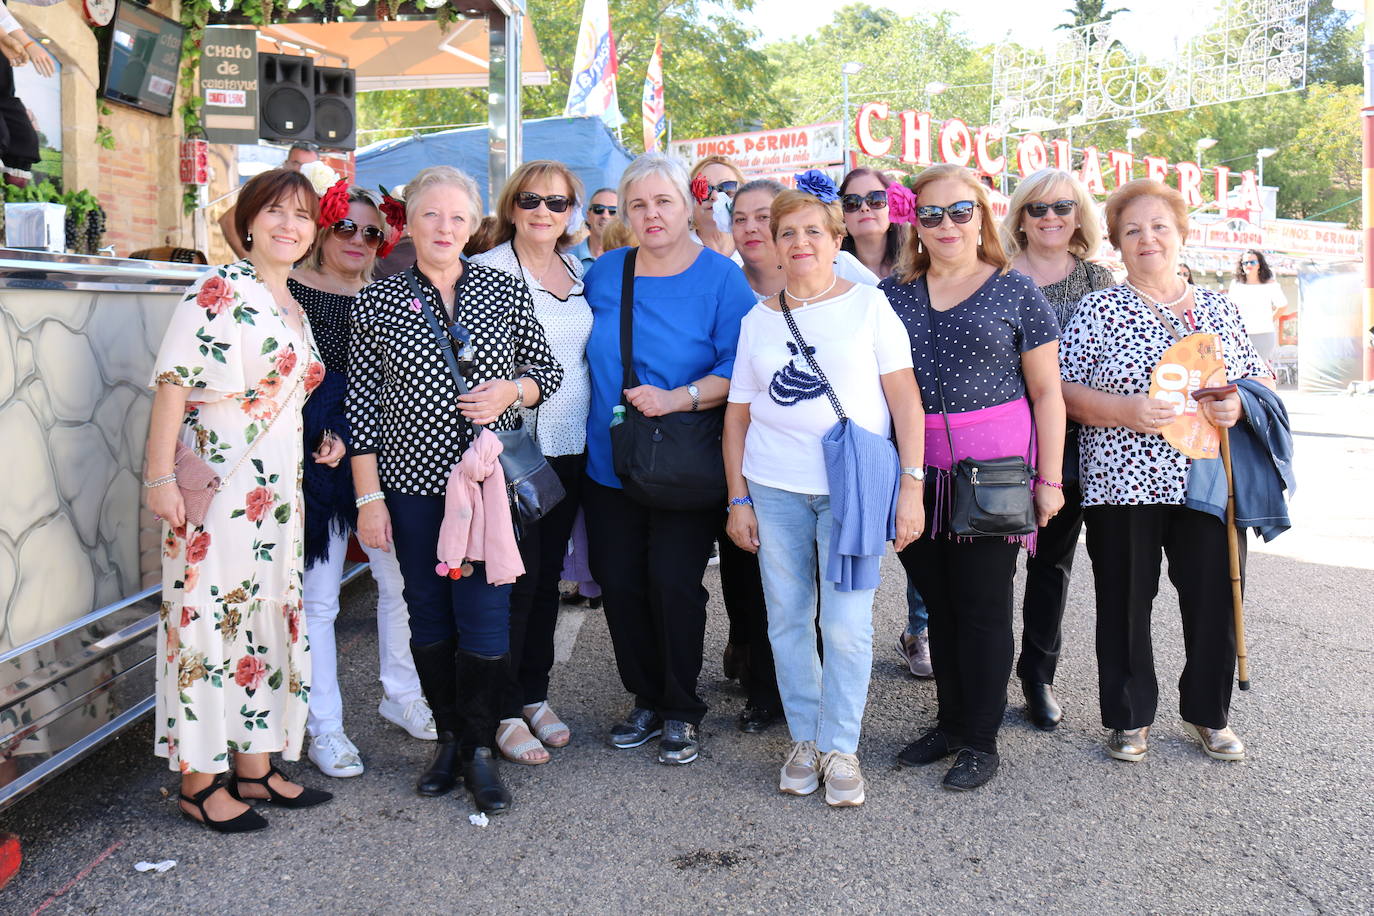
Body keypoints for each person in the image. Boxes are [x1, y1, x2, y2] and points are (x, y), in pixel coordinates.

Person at [347, 165, 563, 814]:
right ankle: (448, 738)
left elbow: (545, 370)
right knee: (429, 616)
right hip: (409, 491)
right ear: (406, 225)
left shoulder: (501, 290)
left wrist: (511, 391)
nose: (444, 227)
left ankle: (477, 749)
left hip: (487, 491)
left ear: (474, 226)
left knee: (486, 619)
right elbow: (361, 407)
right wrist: (368, 500)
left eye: (456, 216)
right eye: (430, 215)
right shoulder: (378, 301)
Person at [144, 168, 341, 832]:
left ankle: (256, 768)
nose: (290, 224)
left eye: (303, 215)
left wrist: (320, 446)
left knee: (261, 621)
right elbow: (174, 381)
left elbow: (282, 400)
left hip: (277, 501)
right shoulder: (220, 287)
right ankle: (200, 784)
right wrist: (159, 478)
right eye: (276, 211)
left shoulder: (295, 303)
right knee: (208, 621)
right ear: (249, 221)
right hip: (219, 495)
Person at [1059, 179, 1273, 763]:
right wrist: (1125, 411)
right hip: (1121, 480)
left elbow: (1261, 378)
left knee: (1214, 598)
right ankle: (1129, 717)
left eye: (1158, 226)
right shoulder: (1099, 307)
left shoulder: (1219, 306)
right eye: (1131, 230)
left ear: (1180, 235)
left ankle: (1209, 712)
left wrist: (1239, 402)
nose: (1146, 238)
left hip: (1207, 479)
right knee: (1125, 599)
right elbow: (1062, 390)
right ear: (1116, 245)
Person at [724, 186, 925, 807]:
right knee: (786, 620)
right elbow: (737, 416)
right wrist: (738, 497)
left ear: (837, 240)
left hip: (852, 492)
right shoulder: (756, 319)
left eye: (814, 231)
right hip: (774, 487)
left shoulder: (870, 308)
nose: (801, 243)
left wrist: (911, 487)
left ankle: (841, 746)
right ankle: (805, 740)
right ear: (775, 246)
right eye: (789, 233)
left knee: (844, 624)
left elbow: (905, 402)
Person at [881, 164, 1066, 792]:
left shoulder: (1017, 291)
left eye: (959, 211)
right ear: (915, 223)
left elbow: (1047, 394)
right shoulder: (894, 296)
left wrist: (1051, 479)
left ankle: (981, 739)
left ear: (981, 216)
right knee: (941, 604)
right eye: (930, 214)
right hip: (917, 473)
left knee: (985, 608)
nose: (946, 225)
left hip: (996, 477)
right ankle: (951, 722)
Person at [582, 152, 754, 765]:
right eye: (638, 205)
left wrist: (680, 398)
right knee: (622, 585)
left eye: (663, 202)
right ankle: (646, 698)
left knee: (675, 585)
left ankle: (683, 708)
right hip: (609, 462)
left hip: (684, 462)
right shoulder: (604, 273)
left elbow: (741, 369)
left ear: (689, 207)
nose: (651, 214)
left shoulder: (722, 279)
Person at [290, 185, 436, 781]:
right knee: (319, 599)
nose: (358, 240)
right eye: (345, 228)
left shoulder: (390, 295)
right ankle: (324, 725)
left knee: (399, 583)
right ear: (323, 229)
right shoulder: (291, 293)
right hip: (313, 457)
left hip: (385, 455)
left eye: (372, 232)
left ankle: (401, 694)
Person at [471, 161, 591, 765]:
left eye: (559, 202)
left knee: (546, 582)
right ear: (511, 205)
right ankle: (499, 708)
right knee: (508, 583)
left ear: (572, 211)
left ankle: (534, 693)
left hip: (571, 450)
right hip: (518, 453)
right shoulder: (489, 273)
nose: (544, 211)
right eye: (531, 199)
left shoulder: (577, 269)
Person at [1001, 168, 1115, 731]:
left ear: (1079, 216)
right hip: (999, 443)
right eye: (1038, 209)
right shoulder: (994, 275)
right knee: (991, 567)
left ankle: (1037, 676)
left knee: (1052, 565)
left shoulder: (1098, 281)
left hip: (1072, 446)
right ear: (1020, 217)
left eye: (1062, 208)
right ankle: (986, 672)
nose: (1050, 218)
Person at [219, 142, 321, 260]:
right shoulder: (272, 189)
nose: (301, 170)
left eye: (308, 166)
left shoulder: (323, 195)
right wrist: (251, 263)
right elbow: (228, 220)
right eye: (296, 163)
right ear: (286, 164)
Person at [840, 167, 905, 281]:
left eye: (876, 199)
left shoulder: (917, 266)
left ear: (893, 207)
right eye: (852, 202)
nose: (864, 208)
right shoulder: (831, 271)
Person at [1228, 249, 1285, 365]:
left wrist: (1269, 320)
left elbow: (1282, 306)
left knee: (1260, 368)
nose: (1249, 265)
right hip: (1240, 335)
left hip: (1264, 334)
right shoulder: (1235, 284)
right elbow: (1230, 308)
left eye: (1252, 262)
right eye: (1245, 263)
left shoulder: (1270, 284)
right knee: (1241, 369)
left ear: (1259, 264)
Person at [689, 155, 745, 259]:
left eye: (727, 189)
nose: (715, 196)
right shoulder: (675, 251)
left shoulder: (756, 248)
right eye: (704, 189)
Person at [569, 187, 618, 269]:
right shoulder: (568, 258)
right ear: (588, 216)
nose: (605, 216)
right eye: (598, 209)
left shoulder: (630, 259)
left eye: (613, 211)